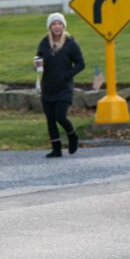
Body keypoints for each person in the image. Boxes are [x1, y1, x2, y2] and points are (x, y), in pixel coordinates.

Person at [37, 13, 85, 158]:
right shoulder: (44, 43)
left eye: (59, 23)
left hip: (64, 87)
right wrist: (37, 64)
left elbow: (81, 64)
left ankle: (73, 136)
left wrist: (67, 75)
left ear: (63, 26)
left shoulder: (70, 43)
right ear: (49, 27)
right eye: (54, 24)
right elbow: (38, 60)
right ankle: (56, 149)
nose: (57, 26)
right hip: (48, 86)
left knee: (60, 116)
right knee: (50, 119)